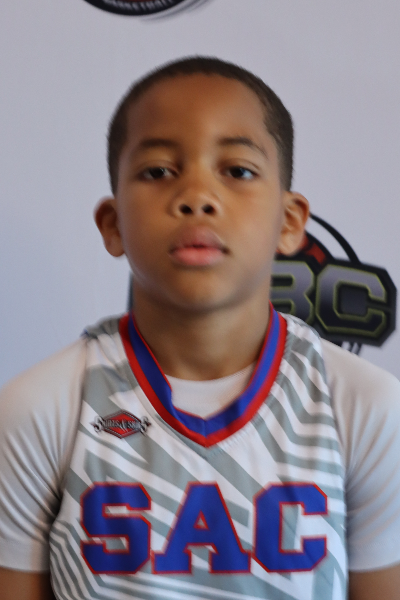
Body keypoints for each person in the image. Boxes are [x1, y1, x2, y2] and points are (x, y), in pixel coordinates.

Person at [0, 57, 400, 600]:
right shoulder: (43, 407)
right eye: (158, 171)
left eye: (237, 171)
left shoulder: (363, 406)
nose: (197, 196)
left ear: (289, 222)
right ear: (113, 224)